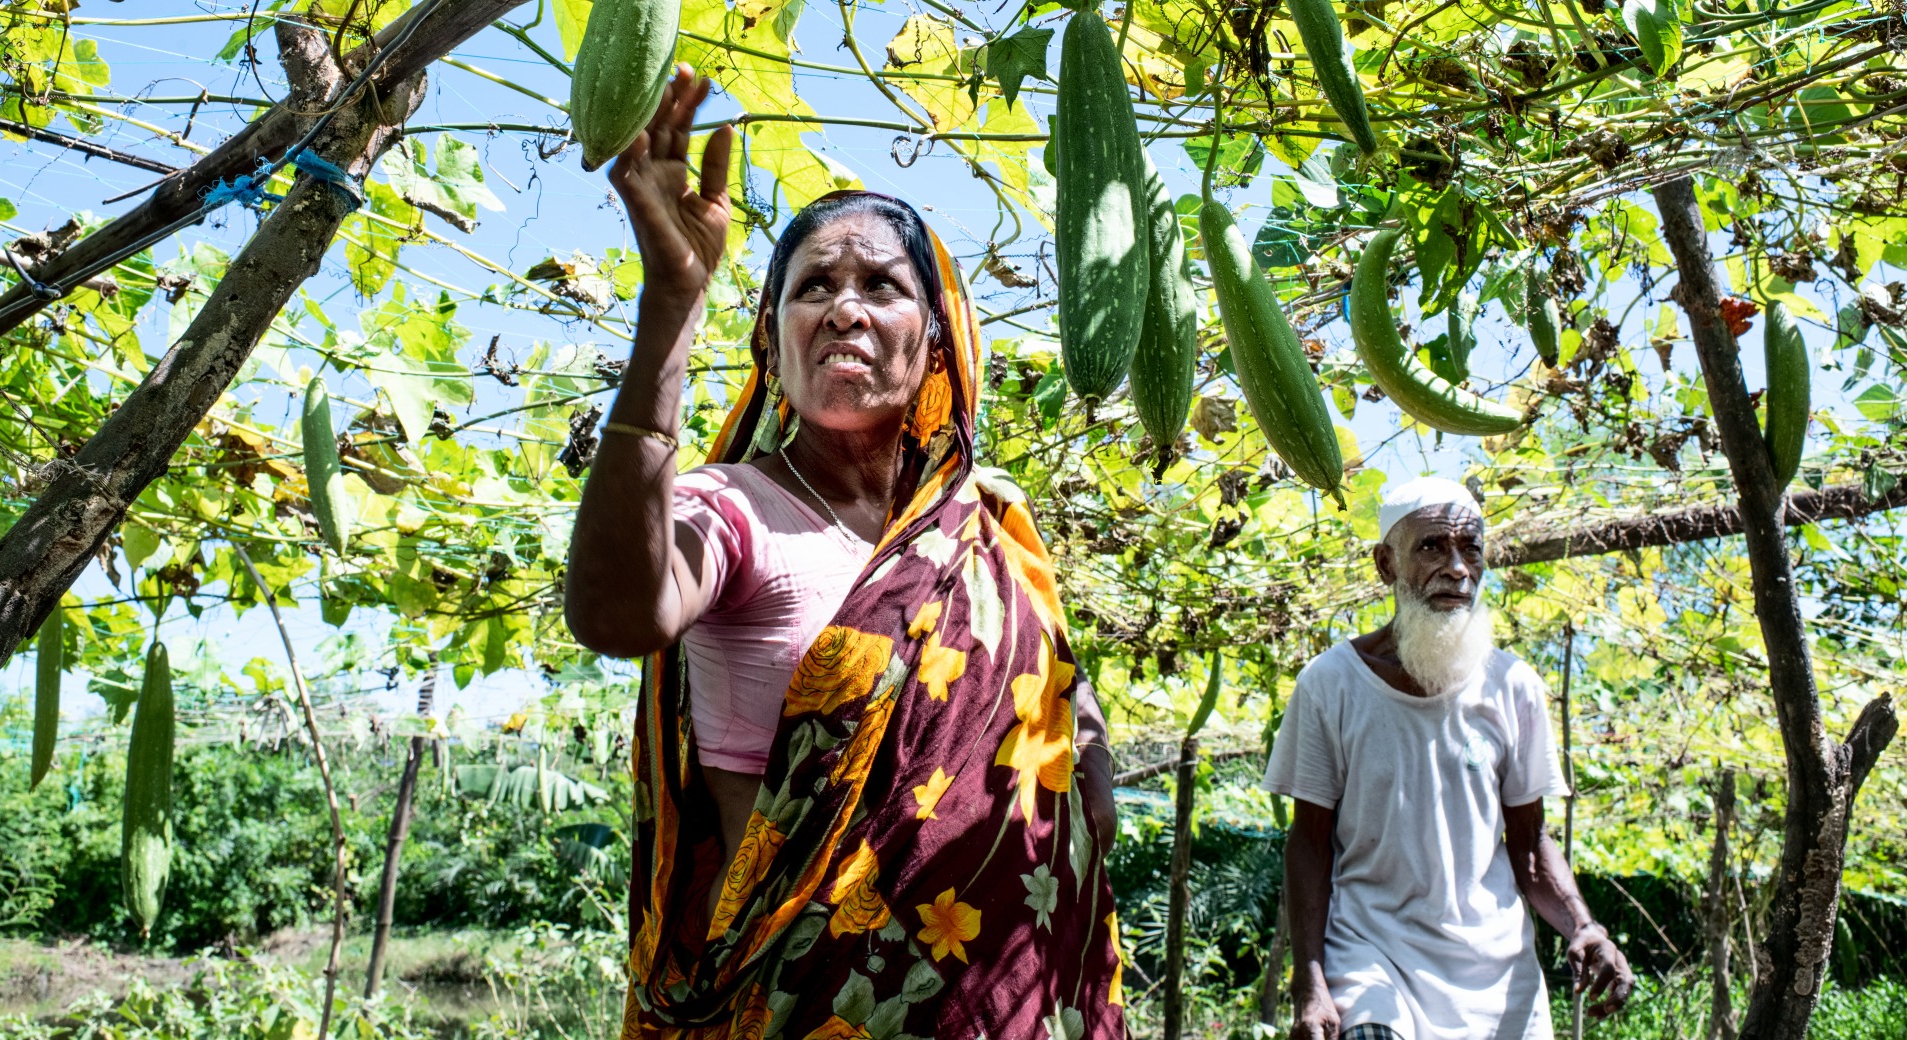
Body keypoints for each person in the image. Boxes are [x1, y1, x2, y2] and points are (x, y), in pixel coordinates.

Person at [563, 66, 1125, 1040]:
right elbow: (617, 612)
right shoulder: (731, 508)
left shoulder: (990, 534)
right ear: (769, 340)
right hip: (797, 1008)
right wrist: (670, 303)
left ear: (941, 336)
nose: (844, 308)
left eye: (882, 286)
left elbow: (1068, 739)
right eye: (811, 286)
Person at [1263, 477, 1635, 1040]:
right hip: (1372, 960)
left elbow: (1530, 848)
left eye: (1471, 549)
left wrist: (1585, 927)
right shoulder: (1330, 684)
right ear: (1386, 564)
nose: (1457, 568)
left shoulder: (1513, 686)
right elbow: (1308, 845)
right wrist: (1309, 985)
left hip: (1498, 979)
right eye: (1433, 546)